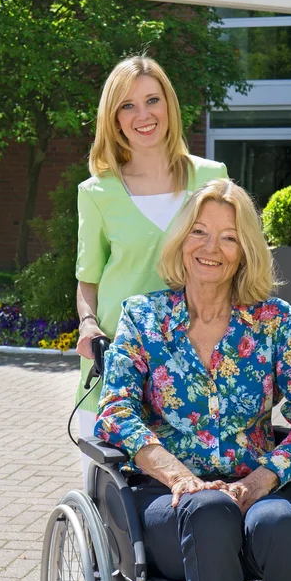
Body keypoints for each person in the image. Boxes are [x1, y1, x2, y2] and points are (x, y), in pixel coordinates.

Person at [94, 178, 291, 581]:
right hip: (170, 502)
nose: (210, 248)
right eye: (199, 232)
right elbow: (115, 413)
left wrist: (258, 482)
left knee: (279, 523)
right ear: (181, 240)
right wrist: (180, 477)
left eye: (228, 237)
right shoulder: (143, 318)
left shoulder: (273, 320)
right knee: (208, 511)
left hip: (257, 492)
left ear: (244, 252)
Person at [75, 55, 227, 478]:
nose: (143, 115)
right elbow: (89, 279)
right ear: (115, 119)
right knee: (110, 502)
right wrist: (88, 324)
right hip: (119, 357)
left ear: (169, 106)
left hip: (196, 359)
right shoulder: (97, 192)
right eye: (127, 105)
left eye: (152, 100)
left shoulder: (212, 178)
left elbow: (235, 258)